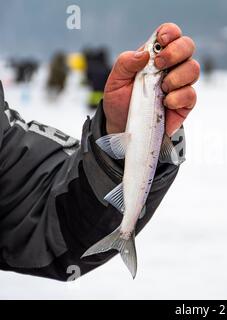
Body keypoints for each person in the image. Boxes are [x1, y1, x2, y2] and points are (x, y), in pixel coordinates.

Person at [0, 23, 200, 281]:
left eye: (157, 48)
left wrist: (114, 137)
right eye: (157, 48)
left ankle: (124, 228)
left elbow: (45, 214)